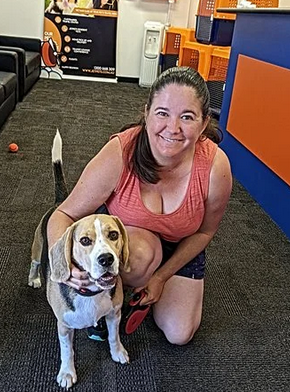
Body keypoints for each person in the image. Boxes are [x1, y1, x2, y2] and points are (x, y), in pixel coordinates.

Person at [47, 67, 232, 345]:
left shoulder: (216, 168)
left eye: (187, 117)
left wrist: (162, 277)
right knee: (139, 256)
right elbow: (63, 214)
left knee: (179, 333)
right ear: (146, 114)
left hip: (180, 245)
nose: (173, 128)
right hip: (131, 241)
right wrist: (64, 265)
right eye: (162, 113)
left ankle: (143, 289)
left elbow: (205, 233)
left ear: (205, 122)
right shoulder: (119, 153)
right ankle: (114, 299)